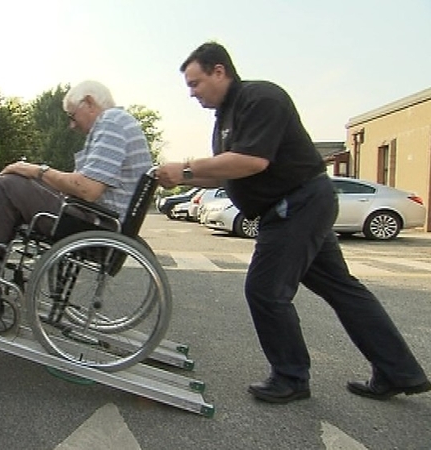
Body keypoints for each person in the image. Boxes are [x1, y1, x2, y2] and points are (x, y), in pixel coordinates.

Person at [157, 42, 430, 404]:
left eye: (195, 83)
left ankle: (291, 378)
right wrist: (180, 178)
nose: (192, 93)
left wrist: (187, 166)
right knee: (343, 290)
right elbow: (227, 172)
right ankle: (399, 371)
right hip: (293, 208)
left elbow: (253, 161)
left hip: (298, 205)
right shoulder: (225, 118)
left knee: (265, 290)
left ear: (219, 71)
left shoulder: (260, 98)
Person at [0, 80, 152, 292]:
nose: (72, 125)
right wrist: (40, 176)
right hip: (103, 222)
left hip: (95, 225)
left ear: (89, 103)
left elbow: (87, 189)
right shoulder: (119, 122)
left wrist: (37, 170)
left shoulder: (111, 121)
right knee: (19, 185)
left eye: (72, 115)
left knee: (5, 185)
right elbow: (85, 184)